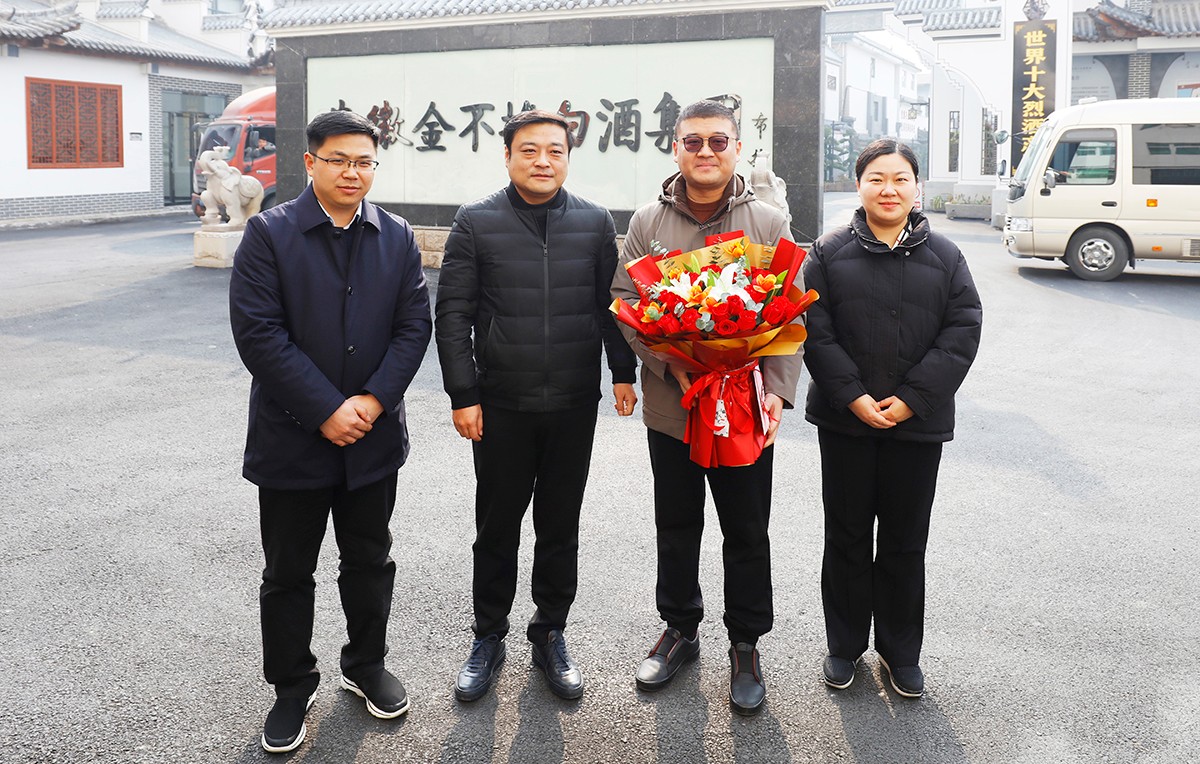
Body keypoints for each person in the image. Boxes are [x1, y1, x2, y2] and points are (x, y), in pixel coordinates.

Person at [228, 110, 432, 753]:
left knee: (369, 559)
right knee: (288, 570)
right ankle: (292, 685)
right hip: (293, 438)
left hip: (371, 439)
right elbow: (259, 334)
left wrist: (371, 401)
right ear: (310, 162)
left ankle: (366, 665)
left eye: (364, 162)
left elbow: (413, 327)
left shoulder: (395, 235)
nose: (353, 173)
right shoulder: (269, 234)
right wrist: (325, 409)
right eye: (339, 160)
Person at [434, 109, 639, 703]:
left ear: (568, 158)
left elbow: (610, 306)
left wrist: (621, 373)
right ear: (508, 156)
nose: (542, 161)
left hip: (573, 401)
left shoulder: (595, 221)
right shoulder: (476, 221)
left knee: (559, 523)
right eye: (529, 150)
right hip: (502, 403)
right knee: (496, 525)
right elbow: (453, 314)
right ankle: (488, 635)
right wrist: (463, 394)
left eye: (555, 151)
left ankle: (550, 631)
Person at [610, 99, 802, 716]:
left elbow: (792, 310)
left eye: (718, 141)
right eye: (693, 142)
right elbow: (627, 301)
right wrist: (672, 363)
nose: (705, 152)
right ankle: (679, 628)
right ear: (676, 148)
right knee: (676, 523)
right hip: (675, 406)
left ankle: (745, 642)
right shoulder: (647, 221)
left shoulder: (767, 221)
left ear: (736, 148)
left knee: (746, 528)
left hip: (744, 410)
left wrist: (776, 391)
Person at [801, 139, 982, 699]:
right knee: (847, 534)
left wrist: (911, 398)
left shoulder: (946, 256)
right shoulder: (827, 253)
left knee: (905, 540)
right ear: (859, 185)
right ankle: (844, 645)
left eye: (900, 179)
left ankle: (901, 652)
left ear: (916, 187)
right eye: (876, 178)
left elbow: (962, 330)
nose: (888, 189)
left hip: (916, 425)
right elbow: (813, 330)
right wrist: (852, 395)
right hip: (846, 421)